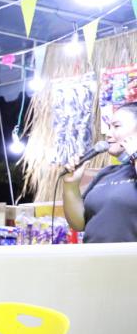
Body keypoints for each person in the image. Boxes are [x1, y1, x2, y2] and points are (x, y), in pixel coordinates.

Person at [63, 101, 137, 243]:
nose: (108, 134)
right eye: (108, 127)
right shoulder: (106, 174)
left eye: (116, 126)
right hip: (95, 256)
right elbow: (78, 224)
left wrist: (135, 155)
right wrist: (70, 186)